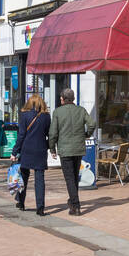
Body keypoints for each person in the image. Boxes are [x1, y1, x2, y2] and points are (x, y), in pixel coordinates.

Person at [48, 87, 94, 216]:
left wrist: (52, 148)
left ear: (62, 99)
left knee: (69, 178)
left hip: (66, 149)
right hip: (78, 148)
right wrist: (86, 134)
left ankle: (76, 205)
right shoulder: (81, 110)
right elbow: (92, 124)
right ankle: (73, 201)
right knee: (74, 177)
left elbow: (53, 132)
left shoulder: (57, 112)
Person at [13, 95, 51, 215]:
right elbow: (48, 133)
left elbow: (21, 135)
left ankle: (21, 202)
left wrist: (15, 151)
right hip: (40, 149)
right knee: (39, 179)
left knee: (23, 176)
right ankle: (40, 207)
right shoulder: (46, 116)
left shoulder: (24, 115)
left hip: (26, 149)